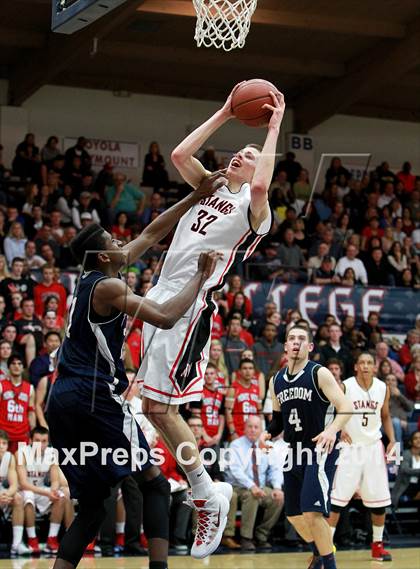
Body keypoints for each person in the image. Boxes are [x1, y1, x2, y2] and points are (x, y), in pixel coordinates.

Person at [46, 173, 225, 569]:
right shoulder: (108, 288)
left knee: (92, 506)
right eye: (113, 241)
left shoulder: (91, 279)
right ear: (105, 256)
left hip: (60, 401)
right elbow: (162, 317)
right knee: (155, 484)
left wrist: (195, 196)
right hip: (93, 397)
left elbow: (150, 232)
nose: (120, 243)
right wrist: (199, 276)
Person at [136, 85, 284, 559]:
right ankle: (206, 491)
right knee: (154, 410)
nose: (242, 155)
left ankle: (205, 494)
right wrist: (224, 112)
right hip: (159, 294)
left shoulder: (253, 212)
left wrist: (276, 123)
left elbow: (261, 185)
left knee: (161, 409)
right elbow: (181, 153)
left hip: (191, 303)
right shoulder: (213, 187)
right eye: (240, 151)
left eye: (251, 153)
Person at [264, 325, 352, 569]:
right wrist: (266, 434)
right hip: (294, 451)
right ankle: (321, 550)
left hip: (320, 449)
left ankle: (327, 564)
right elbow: (278, 421)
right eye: (291, 338)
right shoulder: (276, 381)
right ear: (285, 346)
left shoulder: (319, 373)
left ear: (310, 347)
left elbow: (346, 407)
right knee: (294, 515)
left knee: (313, 513)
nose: (296, 342)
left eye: (302, 339)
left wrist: (331, 430)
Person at [329, 352, 396, 562]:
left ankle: (377, 547)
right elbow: (331, 410)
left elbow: (385, 416)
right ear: (356, 366)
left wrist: (392, 440)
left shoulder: (382, 388)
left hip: (373, 448)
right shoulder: (346, 386)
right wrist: (339, 430)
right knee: (337, 502)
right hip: (350, 448)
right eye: (362, 363)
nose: (366, 366)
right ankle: (325, 549)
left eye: (369, 363)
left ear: (374, 367)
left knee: (379, 503)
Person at [224, 416, 284, 551]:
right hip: (239, 486)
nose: (253, 430)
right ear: (245, 428)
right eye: (250, 426)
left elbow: (275, 469)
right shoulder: (236, 445)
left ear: (262, 430)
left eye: (256, 427)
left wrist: (277, 487)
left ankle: (261, 535)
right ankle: (246, 538)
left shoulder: (267, 445)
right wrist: (252, 486)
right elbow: (235, 470)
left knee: (278, 498)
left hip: (260, 486)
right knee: (252, 495)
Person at [16, 426, 68, 554]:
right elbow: (23, 483)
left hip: (41, 490)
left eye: (44, 441)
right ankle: (32, 539)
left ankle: (52, 539)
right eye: (37, 440)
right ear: (30, 441)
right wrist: (47, 492)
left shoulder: (52, 453)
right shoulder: (21, 452)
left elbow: (55, 481)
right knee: (28, 496)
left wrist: (53, 491)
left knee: (60, 496)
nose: (41, 444)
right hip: (25, 490)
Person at [0, 430, 31, 556]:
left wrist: (7, 494)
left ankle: (16, 545)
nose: (1, 446)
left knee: (17, 497)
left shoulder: (10, 457)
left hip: (2, 493)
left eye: (4, 443)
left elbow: (14, 484)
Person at [0, 354, 36, 453]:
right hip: (3, 434)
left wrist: (32, 434)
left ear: (23, 367)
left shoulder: (30, 388)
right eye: (13, 363)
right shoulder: (1, 385)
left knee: (21, 465)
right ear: (8, 367)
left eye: (19, 364)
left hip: (22, 435)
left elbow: (31, 412)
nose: (16, 366)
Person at [225, 359, 262, 440]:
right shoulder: (233, 388)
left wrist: (261, 430)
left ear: (254, 371)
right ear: (240, 371)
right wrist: (233, 432)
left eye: (250, 368)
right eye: (245, 368)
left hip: (253, 433)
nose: (248, 371)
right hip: (238, 433)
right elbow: (228, 412)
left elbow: (259, 412)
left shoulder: (256, 388)